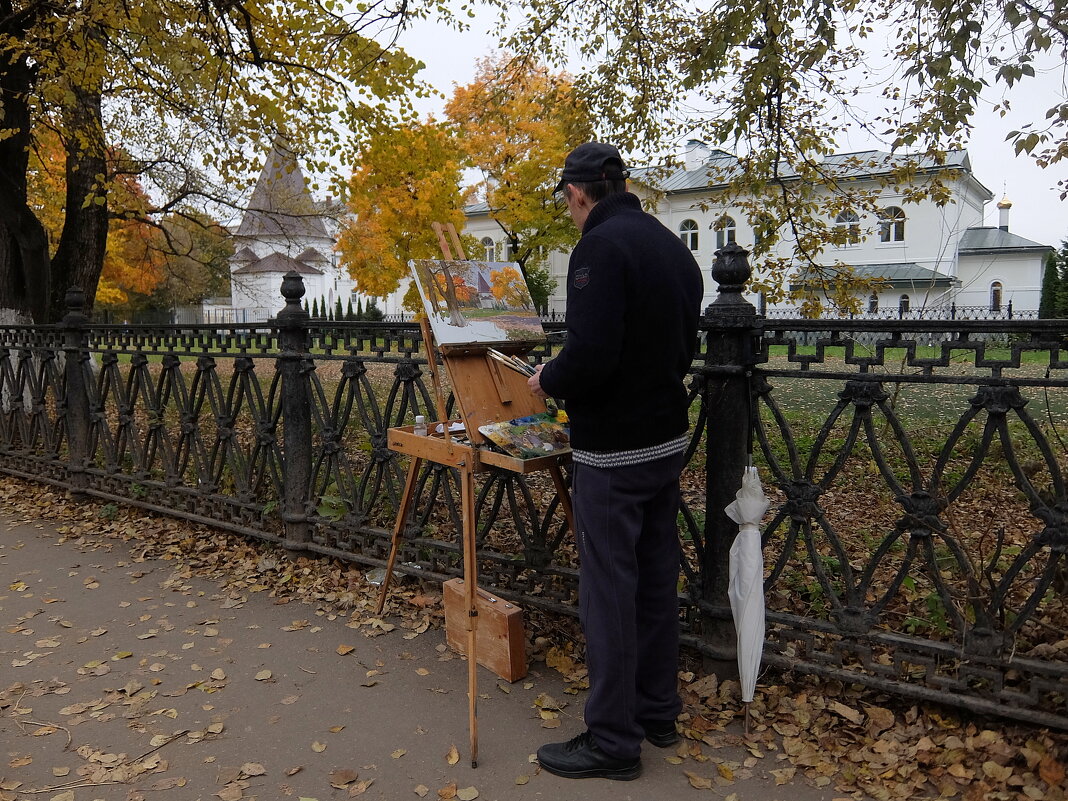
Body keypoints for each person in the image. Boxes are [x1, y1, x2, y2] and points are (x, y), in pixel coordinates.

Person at [527, 142, 703, 780]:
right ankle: (657, 712)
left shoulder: (599, 248)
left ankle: (612, 741)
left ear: (578, 192)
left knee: (609, 593)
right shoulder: (669, 244)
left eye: (566, 200)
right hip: (664, 440)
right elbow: (680, 343)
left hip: (615, 452)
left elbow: (593, 356)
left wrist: (550, 376)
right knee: (655, 580)